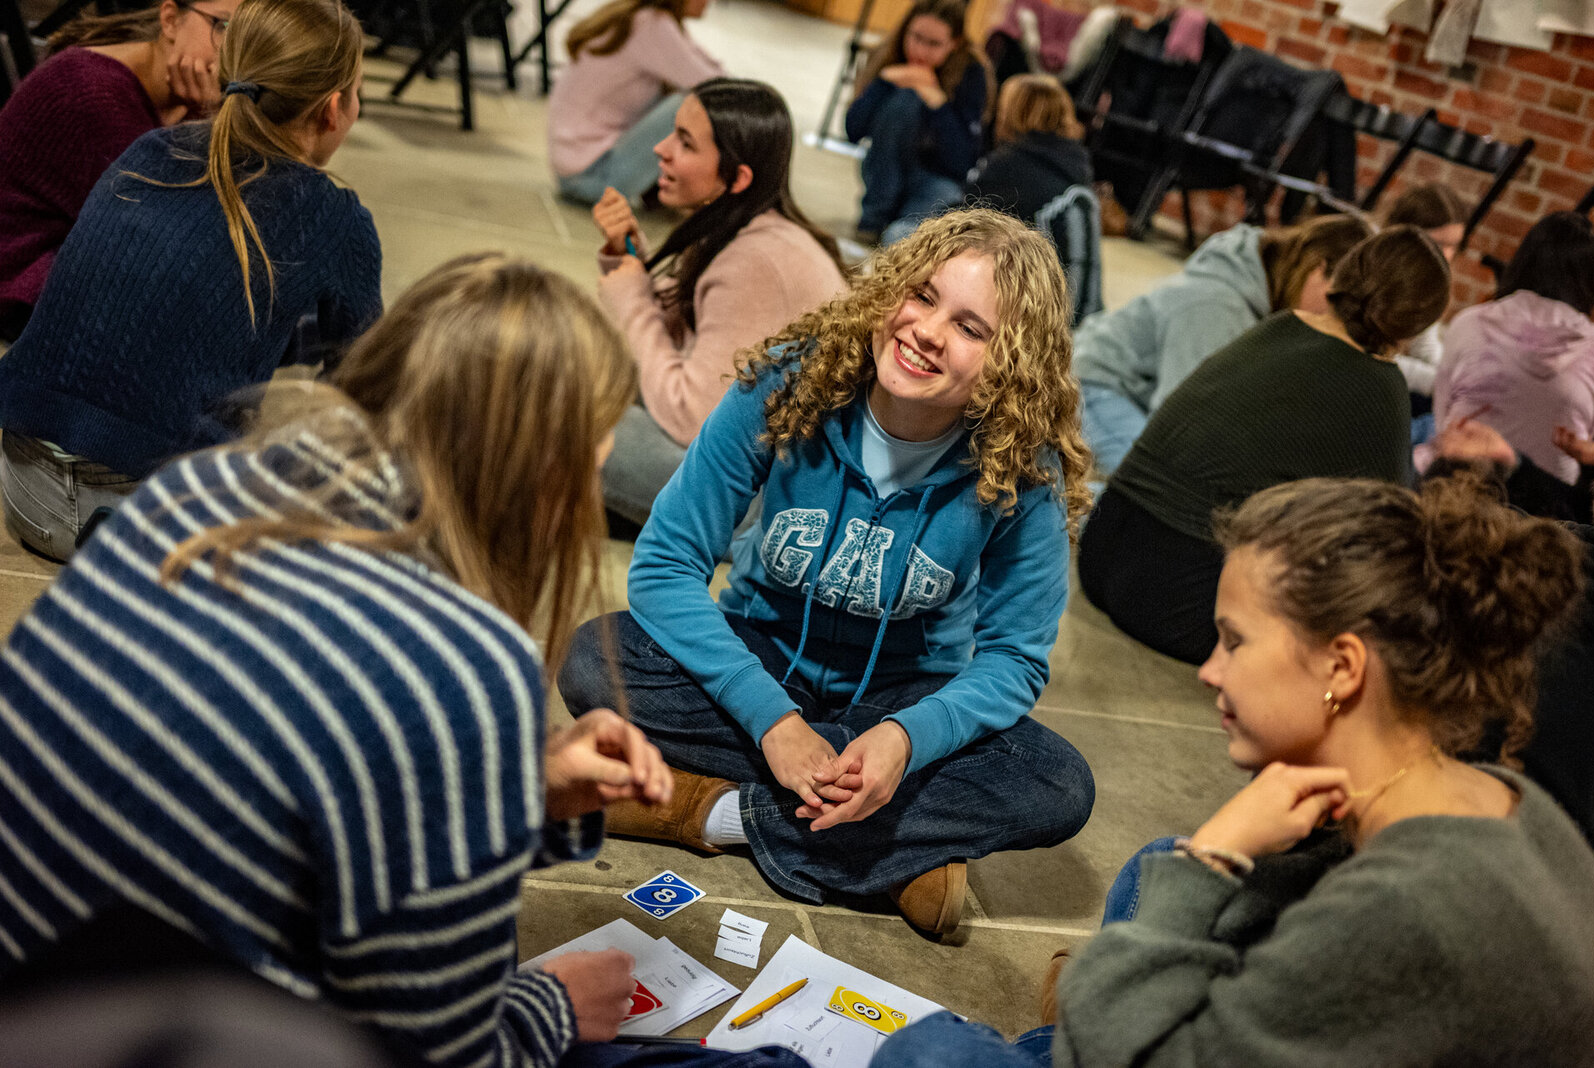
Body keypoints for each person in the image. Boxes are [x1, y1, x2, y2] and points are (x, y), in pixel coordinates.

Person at [0, 251, 687, 1066]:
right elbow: (439, 1055)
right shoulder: (465, 662)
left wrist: (520, 790)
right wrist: (555, 1007)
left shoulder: (198, 491)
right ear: (545, 475)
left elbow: (288, 782)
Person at [873, 473, 1594, 1067]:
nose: (1209, 672)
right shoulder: (1497, 793)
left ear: (1342, 668)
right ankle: (1082, 1020)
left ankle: (1077, 1025)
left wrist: (1213, 854)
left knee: (925, 1052)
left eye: (1235, 642)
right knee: (1156, 868)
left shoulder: (1403, 910)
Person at [558, 208, 1098, 937]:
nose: (927, 331)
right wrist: (775, 723)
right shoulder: (789, 380)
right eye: (922, 296)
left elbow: (1013, 659)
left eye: (971, 328)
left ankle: (707, 811)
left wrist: (905, 739)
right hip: (763, 653)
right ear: (889, 291)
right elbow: (665, 565)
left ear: (1012, 365)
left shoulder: (1022, 463)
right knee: (594, 660)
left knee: (1058, 782)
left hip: (900, 695)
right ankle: (898, 852)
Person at [0, 0, 382, 562]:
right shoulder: (336, 217)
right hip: (143, 516)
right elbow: (369, 389)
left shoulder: (150, 147)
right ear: (333, 108)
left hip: (22, 488)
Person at [1078, 225, 1450, 664]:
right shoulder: (1381, 386)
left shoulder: (1275, 328)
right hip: (1175, 601)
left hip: (1100, 551)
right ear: (1415, 327)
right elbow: (1397, 538)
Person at [589, 77, 846, 526]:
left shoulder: (756, 261)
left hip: (772, 502)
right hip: (754, 464)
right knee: (574, 378)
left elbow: (690, 419)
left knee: (570, 424)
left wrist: (631, 298)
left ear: (738, 177)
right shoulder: (740, 228)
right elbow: (680, 344)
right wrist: (629, 261)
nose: (661, 149)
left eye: (685, 143)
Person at [0, 0, 240, 341]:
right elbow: (173, 249)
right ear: (170, 20)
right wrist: (213, 121)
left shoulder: (179, 102)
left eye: (250, 39)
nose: (235, 54)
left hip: (74, 287)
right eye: (224, 27)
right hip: (21, 301)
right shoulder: (93, 95)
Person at [1073, 212, 1371, 475]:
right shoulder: (1216, 308)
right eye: (1339, 302)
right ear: (1318, 269)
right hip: (1095, 385)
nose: (1338, 319)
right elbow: (1178, 424)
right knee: (1147, 484)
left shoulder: (1263, 296)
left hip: (1140, 392)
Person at [1423, 211, 1594, 492]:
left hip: (1456, 483)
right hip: (1548, 500)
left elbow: (1442, 418)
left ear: (1523, 261)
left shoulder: (1470, 322)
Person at [846, 0, 994, 246]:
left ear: (954, 43)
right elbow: (852, 131)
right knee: (905, 100)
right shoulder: (889, 56)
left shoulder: (972, 72)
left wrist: (937, 103)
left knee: (899, 239)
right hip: (885, 174)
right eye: (915, 37)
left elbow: (963, 163)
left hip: (936, 181)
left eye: (934, 44)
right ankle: (873, 219)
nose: (920, 51)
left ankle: (894, 223)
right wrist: (883, 82)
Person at [548, 0, 722, 206]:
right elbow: (716, 85)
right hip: (593, 176)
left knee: (691, 99)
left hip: (577, 171)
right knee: (698, 104)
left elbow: (713, 75)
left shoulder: (641, 17)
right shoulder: (651, 25)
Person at [1381, 182, 1468, 408]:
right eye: (1438, 243)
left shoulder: (1429, 280)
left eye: (1454, 246)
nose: (1447, 256)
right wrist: (1440, 383)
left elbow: (1425, 348)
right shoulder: (1378, 272)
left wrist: (1457, 378)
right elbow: (1370, 357)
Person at [962, 72, 1091, 224]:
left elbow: (966, 217)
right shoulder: (1078, 162)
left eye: (1001, 109)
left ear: (1009, 115)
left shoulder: (1005, 168)